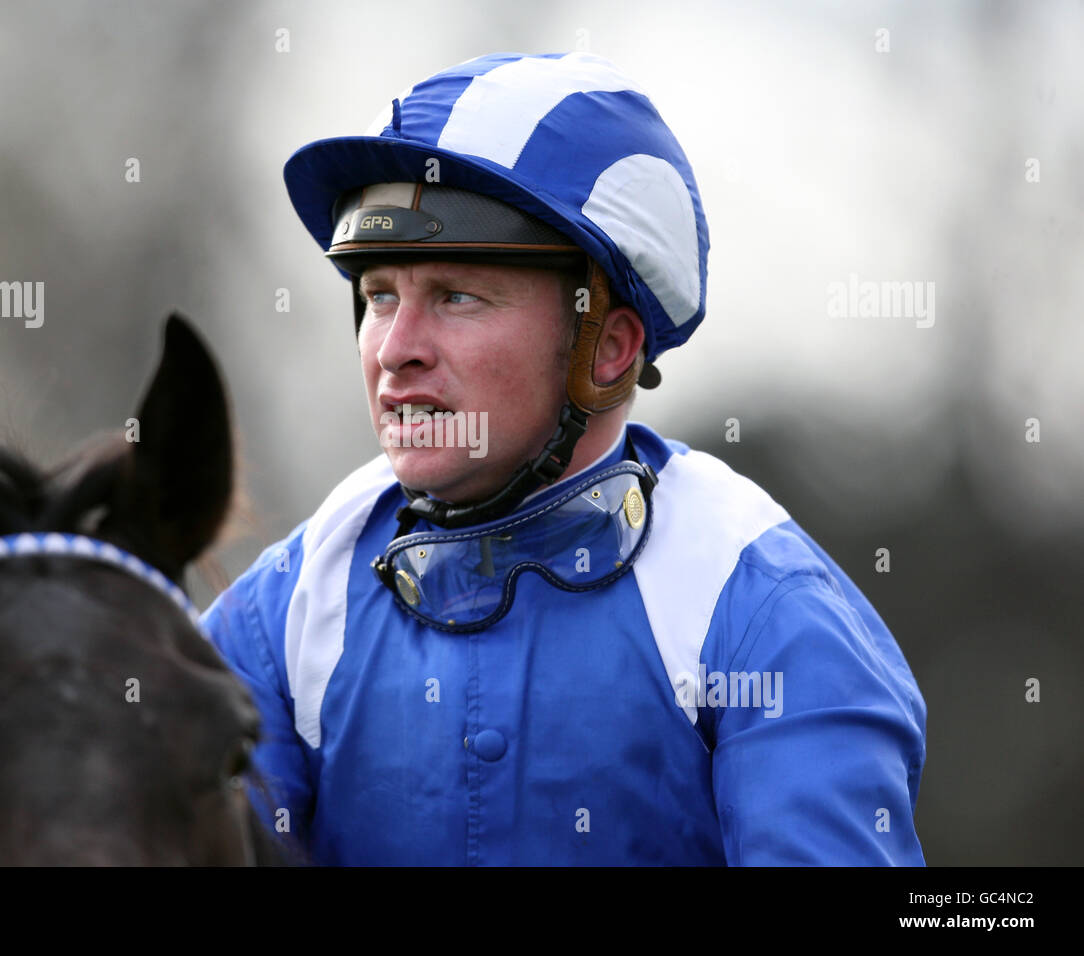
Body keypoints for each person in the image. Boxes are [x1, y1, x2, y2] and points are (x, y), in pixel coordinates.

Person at [201, 51, 927, 865]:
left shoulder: (765, 615)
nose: (395, 351)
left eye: (456, 297)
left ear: (609, 348)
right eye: (378, 298)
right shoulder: (277, 615)